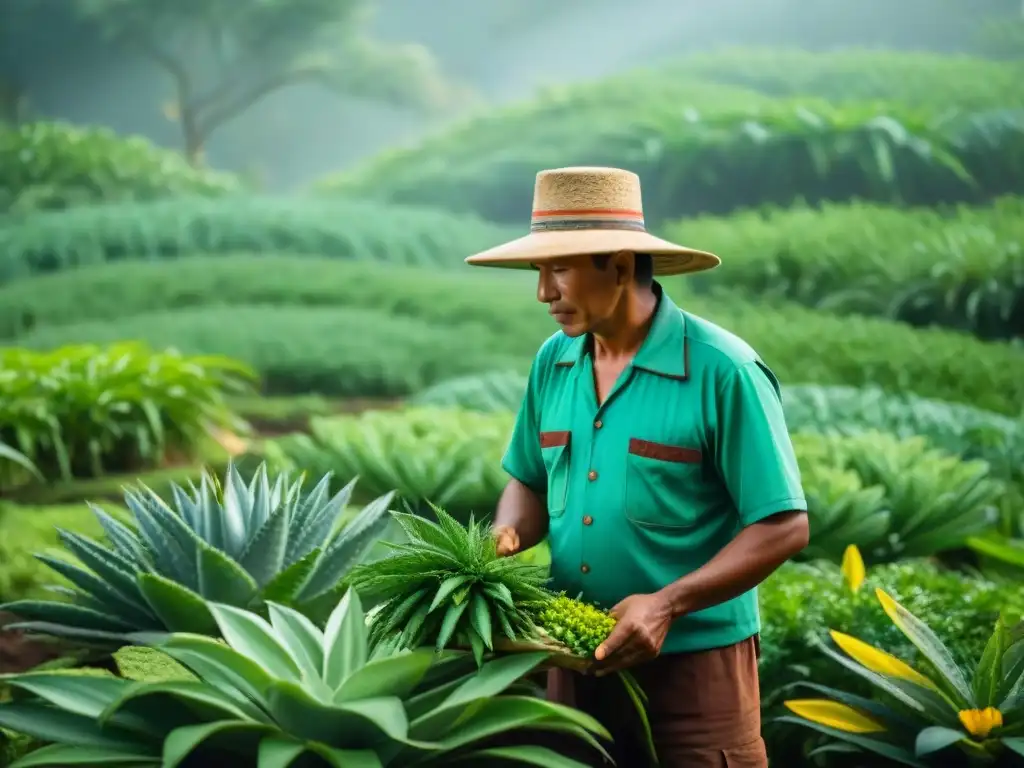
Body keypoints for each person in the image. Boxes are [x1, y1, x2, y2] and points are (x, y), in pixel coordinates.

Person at [464, 166, 810, 767]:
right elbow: (528, 477)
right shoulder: (554, 362)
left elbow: (783, 525)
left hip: (695, 675)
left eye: (560, 270)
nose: (544, 293)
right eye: (537, 272)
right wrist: (506, 537)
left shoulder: (722, 370)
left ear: (620, 267)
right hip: (570, 659)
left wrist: (667, 603)